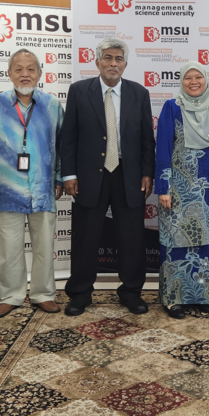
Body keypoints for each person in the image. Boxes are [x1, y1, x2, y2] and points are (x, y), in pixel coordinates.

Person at [61, 38, 155, 317]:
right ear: (97, 61)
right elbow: (69, 136)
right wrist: (69, 173)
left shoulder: (139, 93)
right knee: (85, 237)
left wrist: (147, 173)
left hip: (129, 175)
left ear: (125, 64)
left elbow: (146, 139)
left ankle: (131, 292)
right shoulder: (79, 91)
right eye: (108, 58)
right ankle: (80, 293)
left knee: (132, 238)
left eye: (118, 59)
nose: (113, 63)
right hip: (89, 176)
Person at [0, 50, 64, 316]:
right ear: (9, 73)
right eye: (18, 69)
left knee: (44, 247)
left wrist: (59, 177)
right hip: (7, 189)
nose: (25, 74)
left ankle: (43, 294)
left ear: (40, 73)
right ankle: (10, 295)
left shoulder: (52, 106)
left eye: (31, 69)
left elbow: (62, 146)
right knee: (9, 248)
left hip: (43, 188)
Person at [155, 62, 209, 319]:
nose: (193, 81)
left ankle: (202, 296)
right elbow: (163, 147)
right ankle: (173, 299)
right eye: (188, 77)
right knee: (175, 241)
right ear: (181, 81)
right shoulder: (172, 107)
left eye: (198, 76)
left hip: (208, 188)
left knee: (206, 243)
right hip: (176, 188)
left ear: (206, 80)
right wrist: (163, 187)